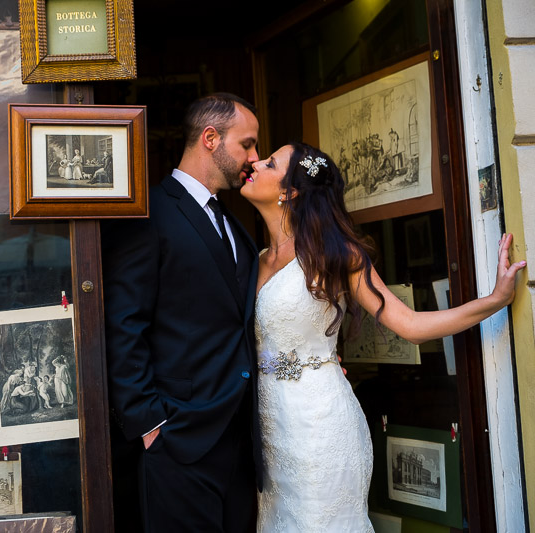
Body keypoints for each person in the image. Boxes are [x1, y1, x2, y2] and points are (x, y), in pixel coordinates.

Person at [239, 141, 526, 531]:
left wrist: (494, 300)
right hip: (271, 431)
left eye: (269, 163)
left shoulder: (334, 256)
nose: (254, 162)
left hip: (320, 427)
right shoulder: (251, 260)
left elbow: (408, 325)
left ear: (289, 192)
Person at [102, 92, 261, 532]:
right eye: (247, 144)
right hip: (177, 437)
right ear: (211, 138)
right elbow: (122, 323)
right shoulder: (149, 213)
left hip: (238, 440)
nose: (254, 156)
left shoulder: (233, 222)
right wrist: (149, 421)